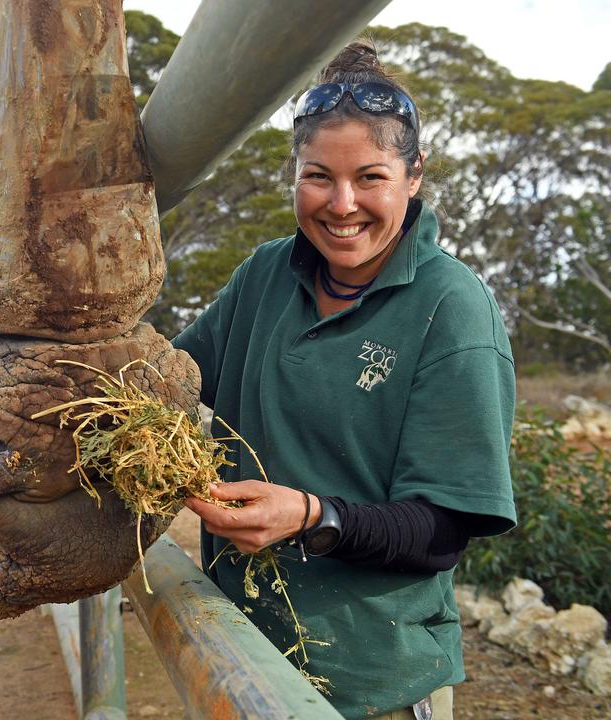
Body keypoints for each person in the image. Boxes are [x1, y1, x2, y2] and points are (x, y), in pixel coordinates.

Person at [174, 41, 516, 720]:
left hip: (367, 688)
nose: (342, 204)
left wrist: (310, 517)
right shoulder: (265, 275)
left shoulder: (452, 309)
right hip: (238, 660)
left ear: (415, 175)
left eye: (370, 177)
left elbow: (441, 531)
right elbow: (168, 383)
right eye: (318, 176)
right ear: (293, 173)